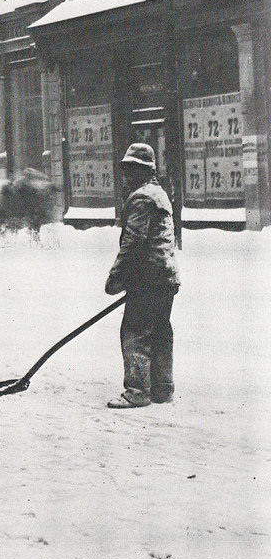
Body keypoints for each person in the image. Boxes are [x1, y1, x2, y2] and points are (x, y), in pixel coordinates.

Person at [104, 142, 180, 409]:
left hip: (148, 278)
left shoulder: (141, 198)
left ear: (145, 170)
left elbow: (133, 243)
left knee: (135, 332)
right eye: (125, 168)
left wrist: (115, 276)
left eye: (131, 168)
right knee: (160, 330)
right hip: (166, 277)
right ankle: (162, 388)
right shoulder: (160, 194)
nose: (126, 175)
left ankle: (137, 391)